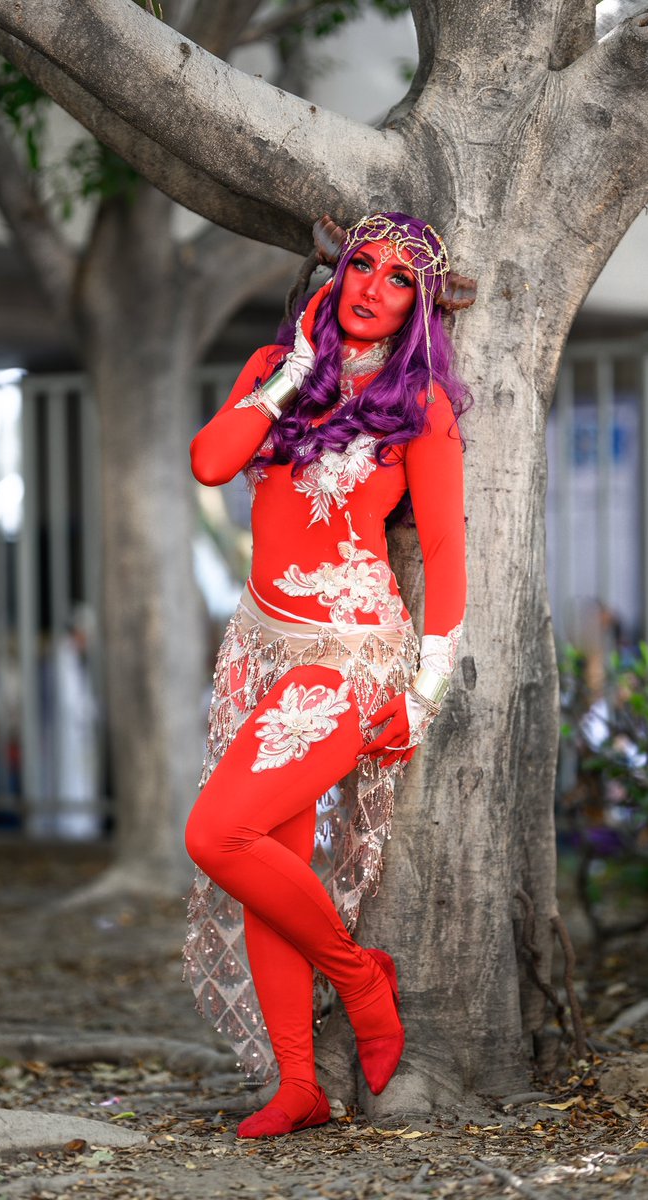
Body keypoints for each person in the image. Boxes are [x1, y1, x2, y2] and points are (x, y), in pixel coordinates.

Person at [183, 212, 472, 1139]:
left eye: (398, 278)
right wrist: (294, 373)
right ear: (335, 273)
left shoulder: (420, 406)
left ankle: (358, 978)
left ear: (419, 304)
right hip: (259, 646)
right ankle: (299, 1084)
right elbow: (210, 461)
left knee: (217, 834)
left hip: (349, 655)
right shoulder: (275, 373)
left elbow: (446, 553)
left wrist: (424, 694)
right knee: (266, 857)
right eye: (362, 266)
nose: (372, 288)